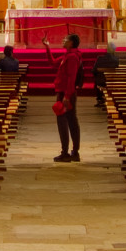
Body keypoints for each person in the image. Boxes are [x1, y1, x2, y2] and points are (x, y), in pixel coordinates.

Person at [43, 33, 83, 161]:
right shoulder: (68, 55)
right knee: (71, 121)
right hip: (65, 93)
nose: (63, 39)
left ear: (71, 43)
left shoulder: (72, 57)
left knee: (64, 122)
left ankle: (67, 153)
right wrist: (47, 47)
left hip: (66, 94)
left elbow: (71, 77)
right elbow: (53, 63)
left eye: (65, 39)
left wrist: (66, 96)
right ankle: (73, 153)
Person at [93, 40, 119, 106]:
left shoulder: (100, 58)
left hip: (101, 81)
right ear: (114, 50)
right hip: (112, 81)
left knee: (98, 79)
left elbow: (94, 70)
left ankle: (100, 99)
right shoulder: (116, 60)